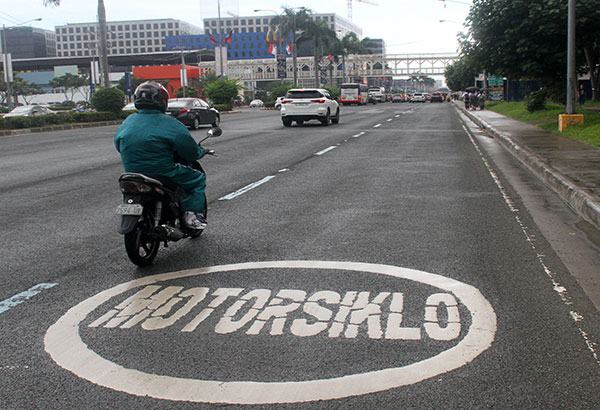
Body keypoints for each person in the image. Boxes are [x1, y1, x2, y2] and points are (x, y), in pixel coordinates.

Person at [114, 81, 210, 232]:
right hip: (164, 172)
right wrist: (202, 151)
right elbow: (190, 153)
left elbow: (118, 144)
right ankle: (192, 216)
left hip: (132, 172)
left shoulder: (129, 121)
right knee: (197, 178)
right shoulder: (171, 123)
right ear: (163, 101)